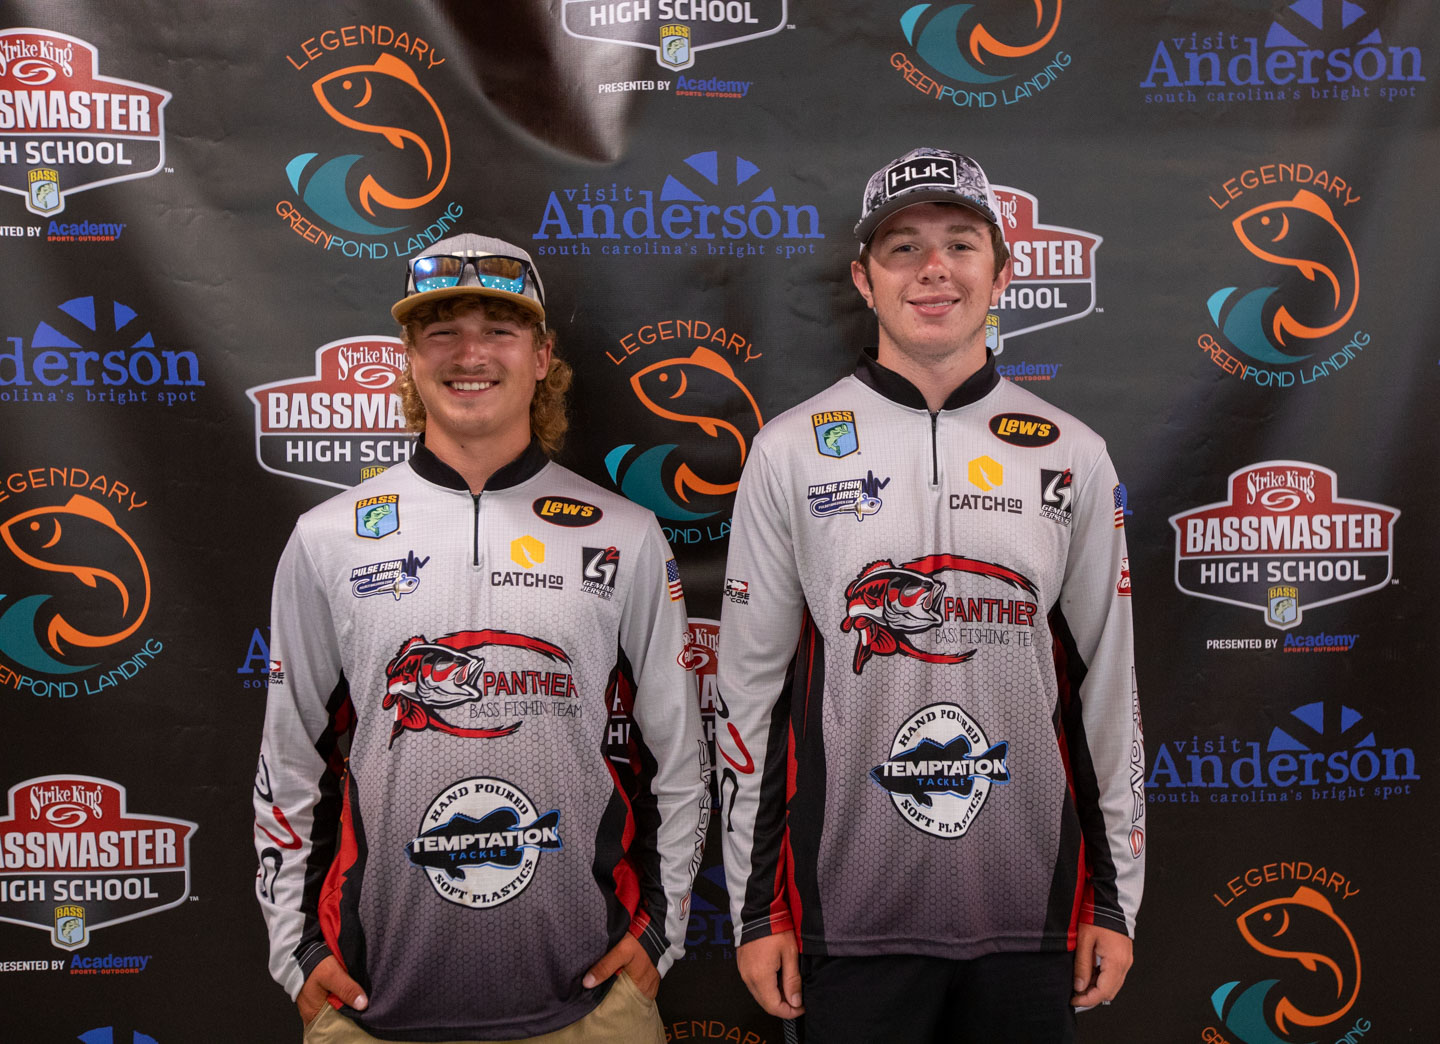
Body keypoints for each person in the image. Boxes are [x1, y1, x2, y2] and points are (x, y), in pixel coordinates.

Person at [714, 149, 1143, 1043]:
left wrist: (1115, 898)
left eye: (960, 243)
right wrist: (760, 910)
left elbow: (1107, 693)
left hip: (1033, 914)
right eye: (903, 247)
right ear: (864, 281)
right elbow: (750, 697)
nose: (934, 268)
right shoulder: (791, 449)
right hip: (848, 917)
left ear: (1002, 274)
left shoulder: (1072, 453)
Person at [254, 233, 710, 1043]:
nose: (471, 354)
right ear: (409, 358)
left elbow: (678, 757)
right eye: (442, 332)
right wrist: (296, 953)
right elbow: (290, 762)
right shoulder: (328, 538)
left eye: (499, 329)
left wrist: (658, 935)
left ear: (541, 357)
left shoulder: (625, 533)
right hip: (371, 1009)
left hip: (590, 1007)